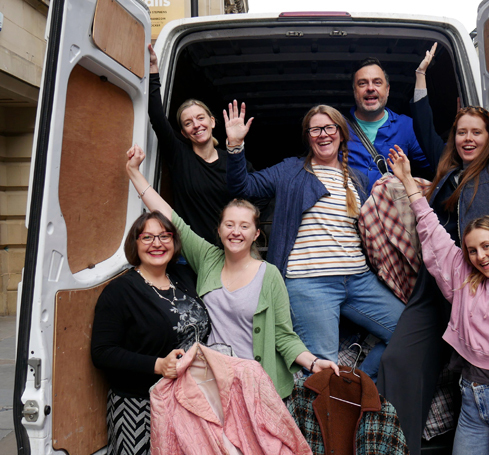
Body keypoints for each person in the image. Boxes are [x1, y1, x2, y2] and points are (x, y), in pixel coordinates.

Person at [376, 43, 489, 454]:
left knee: (477, 375)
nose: (468, 138)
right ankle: (399, 446)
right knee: (398, 361)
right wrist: (421, 78)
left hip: (478, 285)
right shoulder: (447, 175)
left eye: (477, 132)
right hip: (439, 280)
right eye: (461, 132)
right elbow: (426, 127)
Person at [125, 144, 339, 399]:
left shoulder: (269, 275)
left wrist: (314, 363)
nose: (236, 231)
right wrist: (134, 173)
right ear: (219, 230)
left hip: (258, 387)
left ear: (256, 234)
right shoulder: (207, 259)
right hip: (215, 384)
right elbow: (170, 217)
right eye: (229, 224)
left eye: (244, 226)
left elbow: (284, 336)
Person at [226, 103, 405, 381]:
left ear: (341, 133)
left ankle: (354, 384)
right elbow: (243, 187)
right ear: (308, 136)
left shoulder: (356, 179)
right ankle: (336, 398)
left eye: (329, 127)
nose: (323, 134)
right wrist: (235, 146)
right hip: (310, 284)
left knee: (406, 330)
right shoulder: (291, 170)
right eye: (315, 129)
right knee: (323, 370)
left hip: (358, 279)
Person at [387, 148, 489, 454]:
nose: (480, 256)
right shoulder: (463, 277)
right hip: (471, 402)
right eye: (472, 250)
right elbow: (431, 230)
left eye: (487, 246)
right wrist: (407, 181)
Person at [91, 211, 211, 455]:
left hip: (188, 401)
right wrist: (158, 365)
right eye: (147, 237)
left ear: (174, 242)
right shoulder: (120, 291)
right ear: (135, 244)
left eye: (164, 236)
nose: (157, 243)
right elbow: (102, 353)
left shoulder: (183, 279)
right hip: (138, 407)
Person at [148, 44, 254, 245]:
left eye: (200, 118)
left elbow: (256, 196)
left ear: (212, 121)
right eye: (188, 123)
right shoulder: (180, 156)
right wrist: (153, 70)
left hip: (232, 249)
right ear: (183, 133)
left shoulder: (233, 161)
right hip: (191, 253)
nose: (196, 125)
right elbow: (156, 117)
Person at [346, 57, 437, 192]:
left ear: (387, 89)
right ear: (354, 91)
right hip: (347, 210)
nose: (370, 88)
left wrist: (460, 130)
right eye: (362, 83)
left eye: (377, 82)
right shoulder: (336, 127)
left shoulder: (406, 126)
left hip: (390, 211)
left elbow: (437, 161)